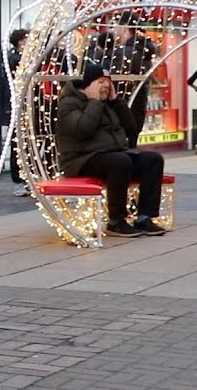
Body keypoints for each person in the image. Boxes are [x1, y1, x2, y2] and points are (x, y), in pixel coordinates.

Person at [55, 62, 167, 238]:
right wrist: (93, 101)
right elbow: (82, 130)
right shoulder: (69, 103)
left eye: (108, 81)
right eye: (101, 81)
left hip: (110, 154)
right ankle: (116, 221)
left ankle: (145, 217)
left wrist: (116, 102)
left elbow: (131, 129)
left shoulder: (107, 103)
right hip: (81, 159)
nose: (106, 85)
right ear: (89, 84)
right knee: (120, 162)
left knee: (153, 160)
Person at [107, 14, 157, 147]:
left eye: (115, 26)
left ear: (124, 28)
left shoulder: (124, 53)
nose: (112, 30)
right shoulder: (143, 51)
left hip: (121, 113)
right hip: (136, 111)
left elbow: (114, 82)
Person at [7, 28, 31, 197]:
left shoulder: (28, 58)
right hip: (19, 106)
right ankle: (18, 181)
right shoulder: (15, 59)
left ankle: (27, 179)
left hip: (29, 106)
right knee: (18, 145)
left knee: (28, 145)